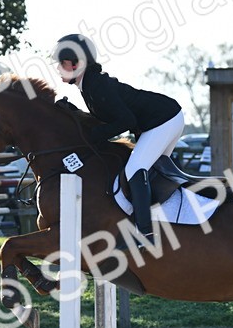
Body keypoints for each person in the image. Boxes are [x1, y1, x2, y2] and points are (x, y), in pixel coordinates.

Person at [54, 33, 185, 244]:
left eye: (63, 63)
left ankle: (145, 234)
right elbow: (108, 118)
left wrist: (95, 135)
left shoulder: (96, 85)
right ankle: (157, 222)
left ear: (78, 63)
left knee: (135, 169)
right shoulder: (88, 85)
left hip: (164, 119)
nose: (58, 68)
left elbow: (125, 120)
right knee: (149, 173)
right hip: (164, 118)